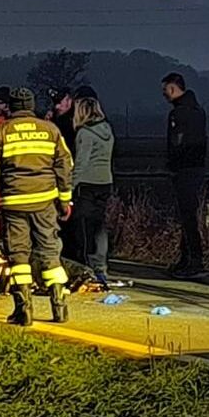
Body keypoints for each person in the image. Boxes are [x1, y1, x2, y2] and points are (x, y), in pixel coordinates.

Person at [0, 87, 74, 325]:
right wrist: (65, 200)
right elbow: (64, 164)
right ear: (32, 106)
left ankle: (24, 310)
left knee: (18, 255)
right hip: (45, 202)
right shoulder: (50, 129)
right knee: (49, 251)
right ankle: (59, 307)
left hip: (14, 204)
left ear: (10, 107)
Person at [162, 71, 208, 279]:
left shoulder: (178, 114)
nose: (164, 94)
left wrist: (173, 164)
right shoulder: (198, 111)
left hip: (183, 170)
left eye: (165, 90)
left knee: (187, 217)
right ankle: (188, 258)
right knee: (189, 215)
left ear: (172, 88)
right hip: (197, 168)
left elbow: (176, 143)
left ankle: (193, 260)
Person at [69, 92, 116, 289]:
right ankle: (101, 266)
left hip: (86, 184)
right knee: (99, 226)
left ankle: (87, 267)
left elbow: (81, 163)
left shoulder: (84, 134)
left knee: (84, 228)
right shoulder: (107, 129)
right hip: (105, 182)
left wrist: (70, 187)